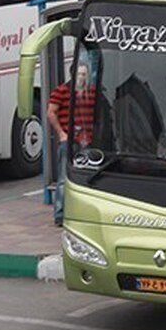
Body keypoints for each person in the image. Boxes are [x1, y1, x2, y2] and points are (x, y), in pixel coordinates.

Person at [47, 61, 96, 226]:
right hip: (68, 140)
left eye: (85, 74)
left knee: (87, 177)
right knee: (63, 178)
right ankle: (60, 215)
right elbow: (51, 112)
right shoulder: (61, 91)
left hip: (87, 140)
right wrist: (61, 133)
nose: (82, 78)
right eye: (80, 74)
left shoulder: (92, 92)